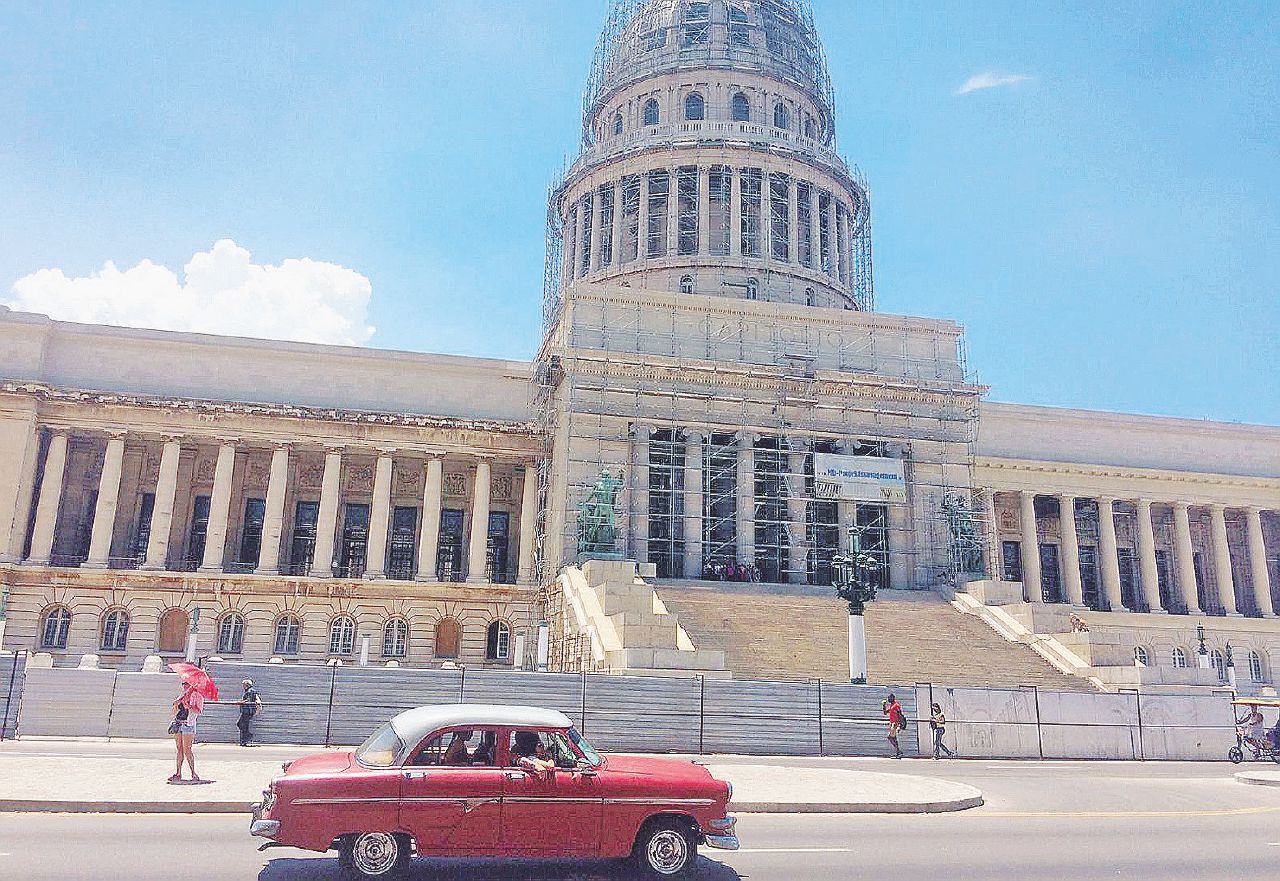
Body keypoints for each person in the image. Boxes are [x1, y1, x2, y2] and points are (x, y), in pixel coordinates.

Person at [168, 682, 203, 783]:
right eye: (183, 683)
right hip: (178, 722)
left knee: (187, 749)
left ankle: (193, 772)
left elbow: (198, 710)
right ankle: (178, 772)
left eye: (186, 683)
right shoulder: (182, 695)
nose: (184, 685)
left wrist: (188, 706)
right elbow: (174, 711)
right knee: (179, 748)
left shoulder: (197, 695)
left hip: (188, 724)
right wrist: (176, 704)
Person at [236, 678, 262, 747]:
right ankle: (244, 740)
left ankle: (247, 737)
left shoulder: (250, 691)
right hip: (248, 711)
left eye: (243, 685)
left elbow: (248, 701)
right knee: (243, 725)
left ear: (247, 685)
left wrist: (239, 702)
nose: (243, 686)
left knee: (241, 724)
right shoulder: (250, 691)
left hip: (247, 711)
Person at [883, 693, 905, 759]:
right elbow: (885, 712)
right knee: (893, 738)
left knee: (890, 737)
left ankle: (899, 751)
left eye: (890, 698)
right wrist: (884, 705)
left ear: (893, 698)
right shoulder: (891, 705)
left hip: (895, 723)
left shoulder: (896, 705)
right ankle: (898, 752)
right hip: (892, 723)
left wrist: (899, 725)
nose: (888, 699)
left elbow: (900, 714)